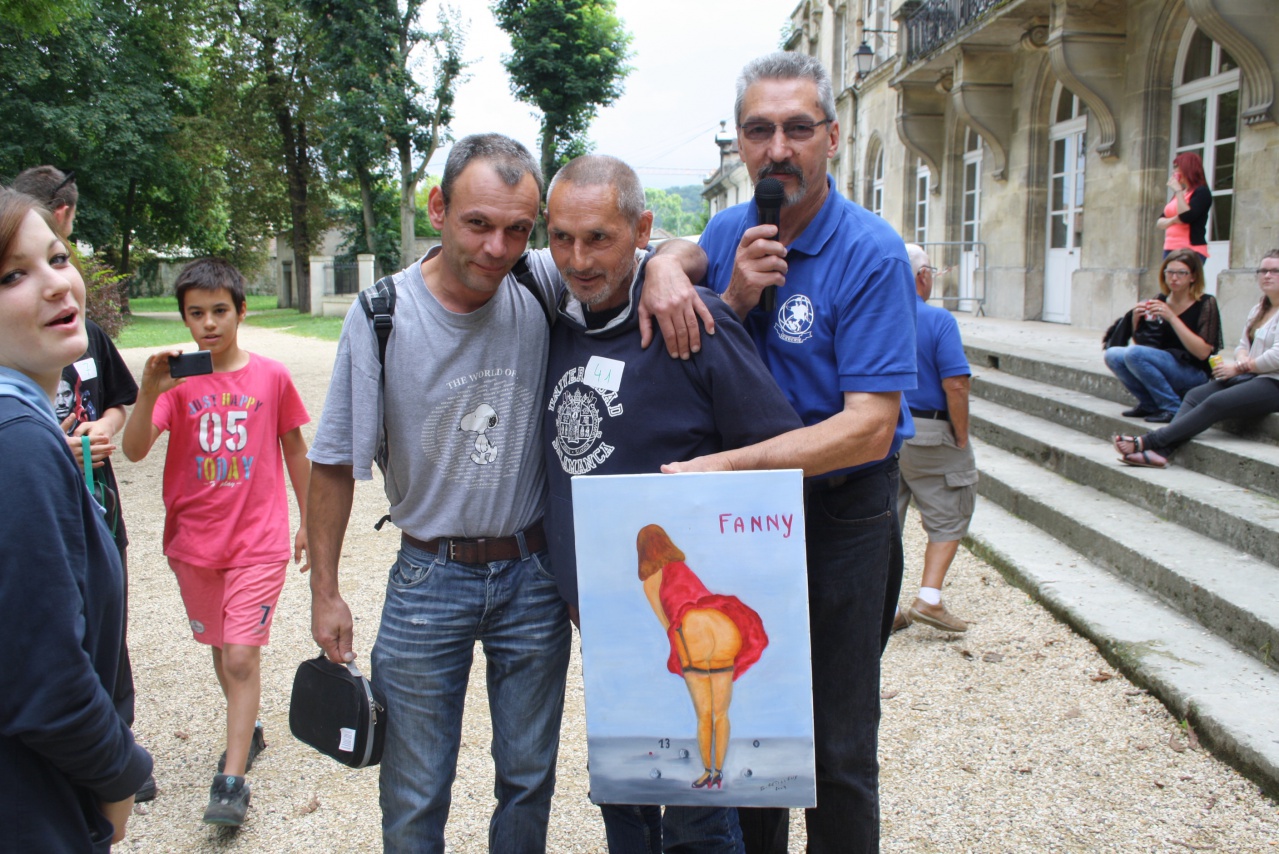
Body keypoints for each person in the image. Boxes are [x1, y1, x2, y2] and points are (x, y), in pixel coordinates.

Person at [306, 134, 707, 853]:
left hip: (532, 574)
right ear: (438, 209)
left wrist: (667, 268)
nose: (497, 248)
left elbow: (659, 248)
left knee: (526, 779)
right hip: (427, 576)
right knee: (413, 790)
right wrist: (325, 592)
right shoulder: (382, 313)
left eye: (518, 230)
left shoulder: (539, 278)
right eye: (478, 224)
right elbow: (335, 461)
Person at [664, 52, 918, 854]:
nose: (777, 149)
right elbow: (679, 263)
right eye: (758, 130)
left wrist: (722, 468)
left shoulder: (871, 252)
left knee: (836, 746)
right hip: (743, 524)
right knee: (752, 738)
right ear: (740, 143)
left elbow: (868, 426)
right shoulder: (727, 232)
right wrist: (674, 273)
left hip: (840, 515)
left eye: (797, 128)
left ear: (831, 138)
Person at [535, 154, 802, 851]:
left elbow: (778, 454)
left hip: (687, 621)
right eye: (561, 238)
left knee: (698, 810)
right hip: (605, 618)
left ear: (640, 230)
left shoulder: (693, 321)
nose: (578, 259)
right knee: (623, 796)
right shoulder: (551, 322)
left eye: (599, 238)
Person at [122, 257, 311, 826]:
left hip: (257, 543)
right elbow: (134, 450)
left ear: (241, 311)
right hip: (194, 546)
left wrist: (310, 521)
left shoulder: (271, 376)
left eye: (220, 311)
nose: (208, 323)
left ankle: (231, 783)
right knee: (219, 647)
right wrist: (147, 391)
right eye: (196, 313)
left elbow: (295, 450)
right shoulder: (176, 383)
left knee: (241, 653)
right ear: (184, 317)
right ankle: (246, 728)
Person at [0, 188, 152, 850]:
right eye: (12, 275)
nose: (56, 284)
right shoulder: (17, 441)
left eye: (57, 258)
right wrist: (119, 777)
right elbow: (43, 678)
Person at [1115, 250, 1279, 468]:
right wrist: (1241, 360)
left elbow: (1276, 356)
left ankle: (1149, 441)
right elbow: (1242, 346)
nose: (1267, 275)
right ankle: (1162, 452)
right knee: (1195, 395)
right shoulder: (1260, 308)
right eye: (1263, 270)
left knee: (1215, 402)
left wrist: (1240, 368)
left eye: (1275, 271)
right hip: (1252, 375)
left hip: (1273, 382)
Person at [636, 525, 768, 791]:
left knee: (704, 715)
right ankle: (719, 771)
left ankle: (708, 772)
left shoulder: (651, 579)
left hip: (694, 633)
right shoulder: (681, 566)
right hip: (724, 627)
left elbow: (668, 622)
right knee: (721, 713)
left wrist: (680, 652)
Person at [893, 245, 977, 634]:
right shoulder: (938, 319)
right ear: (923, 276)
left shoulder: (876, 314)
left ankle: (883, 607)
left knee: (885, 519)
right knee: (949, 513)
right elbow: (956, 384)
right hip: (929, 429)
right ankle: (929, 598)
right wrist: (961, 435)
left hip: (883, 428)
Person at [1103, 249, 1222, 422]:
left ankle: (1172, 407)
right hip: (1165, 365)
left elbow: (1203, 352)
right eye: (1169, 272)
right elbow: (1144, 347)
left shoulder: (1205, 302)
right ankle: (1149, 404)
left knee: (1134, 353)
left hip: (1193, 372)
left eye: (1181, 273)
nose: (1174, 278)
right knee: (1113, 354)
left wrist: (1172, 318)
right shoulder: (1160, 299)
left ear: (1193, 277)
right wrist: (1136, 320)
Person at [1156, 152, 1212, 261]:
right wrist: (1174, 220)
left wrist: (1178, 191)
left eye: (1176, 167)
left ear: (1187, 168)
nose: (1173, 171)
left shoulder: (1201, 192)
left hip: (1190, 249)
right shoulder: (1180, 194)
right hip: (1169, 248)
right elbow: (1160, 222)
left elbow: (1185, 217)